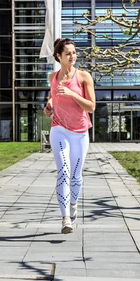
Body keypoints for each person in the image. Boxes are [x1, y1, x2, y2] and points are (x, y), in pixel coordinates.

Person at [43, 38, 96, 234]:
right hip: (59, 129)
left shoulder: (83, 77)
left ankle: (73, 203)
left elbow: (91, 107)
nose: (72, 56)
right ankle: (65, 218)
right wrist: (48, 106)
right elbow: (53, 97)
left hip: (80, 132)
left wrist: (72, 94)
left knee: (75, 175)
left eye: (74, 53)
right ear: (59, 56)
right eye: (68, 54)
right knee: (63, 171)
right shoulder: (53, 77)